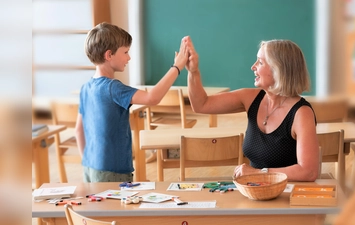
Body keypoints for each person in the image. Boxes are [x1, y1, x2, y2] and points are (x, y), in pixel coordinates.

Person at [186, 37, 319, 181]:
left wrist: (259, 173)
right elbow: (201, 104)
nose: (253, 66)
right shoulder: (250, 98)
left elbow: (309, 172)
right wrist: (193, 72)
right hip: (256, 190)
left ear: (278, 69)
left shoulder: (301, 113)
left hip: (287, 194)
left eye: (260, 62)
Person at [75, 22, 188, 182]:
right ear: (109, 55)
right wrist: (177, 67)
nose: (129, 57)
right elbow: (152, 98)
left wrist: (88, 163)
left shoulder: (86, 88)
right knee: (116, 207)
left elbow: (79, 131)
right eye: (126, 52)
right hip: (112, 171)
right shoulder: (113, 88)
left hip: (90, 168)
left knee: (99, 207)